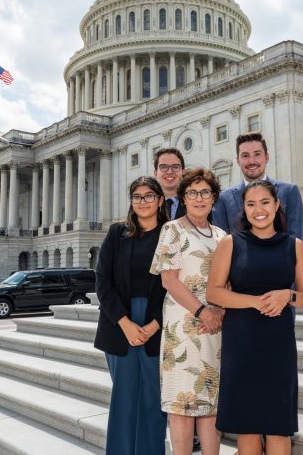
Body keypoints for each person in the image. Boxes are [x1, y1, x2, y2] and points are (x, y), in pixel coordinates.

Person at [207, 180, 303, 455]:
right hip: (241, 343)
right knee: (248, 426)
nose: (259, 210)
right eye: (251, 204)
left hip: (278, 344)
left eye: (265, 202)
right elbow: (214, 293)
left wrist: (285, 296)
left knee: (279, 427)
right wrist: (255, 302)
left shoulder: (296, 245)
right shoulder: (230, 243)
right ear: (244, 208)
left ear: (277, 205)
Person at [151, 167, 226, 455]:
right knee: (181, 407)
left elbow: (228, 280)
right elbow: (168, 280)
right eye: (192, 192)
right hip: (182, 327)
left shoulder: (222, 235)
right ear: (183, 198)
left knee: (210, 404)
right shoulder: (172, 230)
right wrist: (203, 312)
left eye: (204, 192)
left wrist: (219, 312)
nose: (198, 198)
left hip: (214, 328)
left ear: (213, 197)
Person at [94, 176, 168, 455]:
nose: (143, 202)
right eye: (137, 196)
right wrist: (125, 322)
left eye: (149, 196)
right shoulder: (116, 233)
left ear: (160, 200)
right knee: (124, 398)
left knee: (153, 398)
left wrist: (154, 324)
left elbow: (177, 284)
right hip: (119, 324)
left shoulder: (172, 235)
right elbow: (103, 281)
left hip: (158, 322)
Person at [213, 132, 303, 240]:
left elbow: (296, 240)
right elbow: (221, 242)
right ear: (238, 160)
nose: (251, 161)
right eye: (245, 155)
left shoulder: (289, 191)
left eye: (257, 154)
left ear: (266, 157)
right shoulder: (223, 198)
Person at [154, 147, 186, 220]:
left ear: (183, 171)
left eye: (175, 167)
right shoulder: (147, 204)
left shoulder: (195, 202)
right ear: (156, 173)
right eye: (163, 167)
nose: (169, 172)